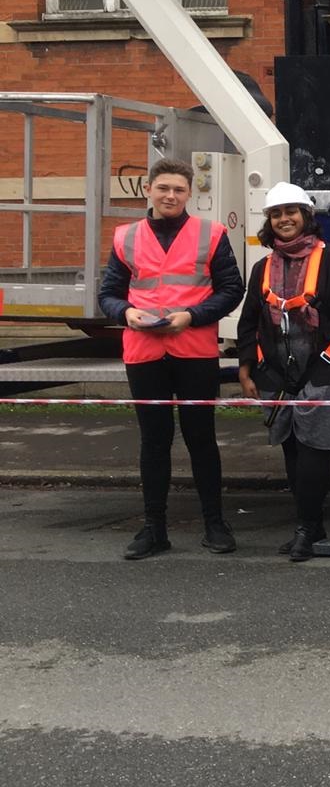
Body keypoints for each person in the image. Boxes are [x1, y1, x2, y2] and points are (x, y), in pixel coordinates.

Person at [98, 157, 245, 559]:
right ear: (149, 189)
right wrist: (126, 313)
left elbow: (233, 288)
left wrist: (191, 316)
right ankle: (154, 528)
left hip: (193, 348)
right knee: (154, 441)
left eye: (179, 189)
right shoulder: (126, 236)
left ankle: (215, 524)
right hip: (143, 350)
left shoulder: (210, 234)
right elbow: (108, 293)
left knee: (202, 438)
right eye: (163, 188)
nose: (171, 195)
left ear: (190, 193)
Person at [236, 182, 330, 561]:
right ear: (269, 222)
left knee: (315, 448)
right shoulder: (263, 268)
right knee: (292, 450)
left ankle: (306, 528)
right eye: (277, 214)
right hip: (277, 372)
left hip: (325, 367)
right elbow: (249, 322)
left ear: (307, 216)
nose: (284, 220)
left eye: (291, 212)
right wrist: (246, 368)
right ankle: (313, 524)